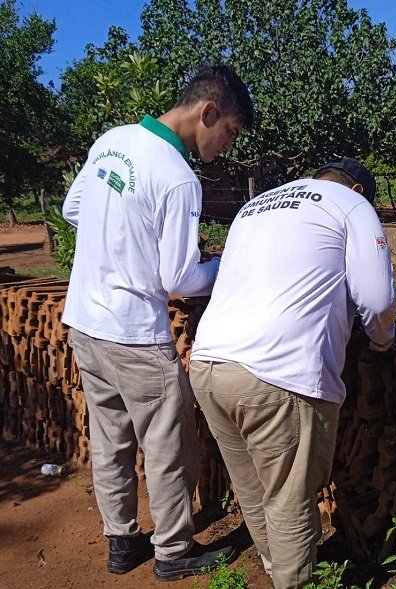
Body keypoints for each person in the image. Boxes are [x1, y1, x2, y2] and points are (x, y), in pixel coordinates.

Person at [61, 63, 254, 582]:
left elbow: (74, 208)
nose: (227, 145)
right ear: (207, 112)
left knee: (110, 439)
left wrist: (120, 241)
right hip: (135, 336)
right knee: (169, 447)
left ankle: (121, 540)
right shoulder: (178, 177)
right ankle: (173, 551)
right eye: (230, 131)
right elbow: (180, 278)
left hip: (85, 321)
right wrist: (227, 264)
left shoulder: (112, 140)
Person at [189, 158, 396, 589]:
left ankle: (275, 568)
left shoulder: (256, 204)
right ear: (359, 189)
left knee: (253, 488)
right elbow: (377, 298)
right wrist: (382, 341)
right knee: (289, 498)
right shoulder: (351, 204)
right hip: (277, 374)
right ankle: (293, 581)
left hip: (209, 364)